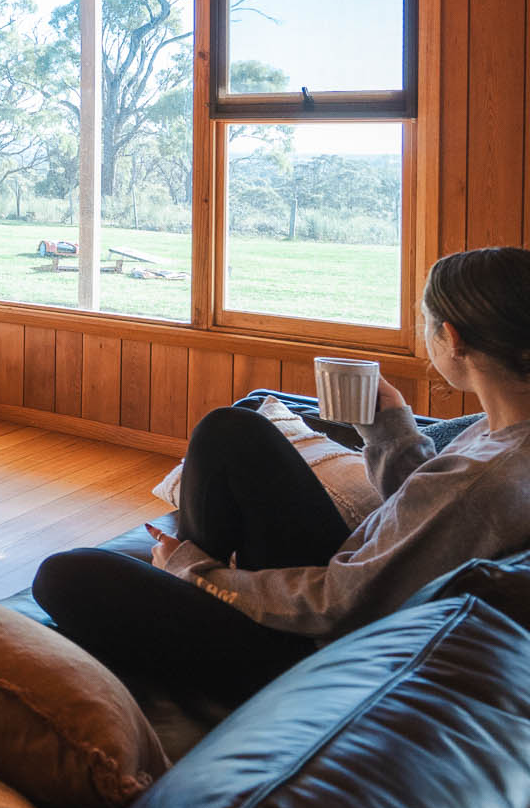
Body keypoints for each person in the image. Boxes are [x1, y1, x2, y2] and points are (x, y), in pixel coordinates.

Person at [33, 246, 530, 701]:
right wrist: (389, 430)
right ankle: (193, 598)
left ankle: (193, 605)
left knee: (63, 576)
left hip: (321, 649)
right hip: (357, 579)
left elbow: (336, 603)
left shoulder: (485, 479)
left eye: (425, 323)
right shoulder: (504, 433)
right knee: (230, 430)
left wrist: (196, 571)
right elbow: (430, 515)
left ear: (452, 338)